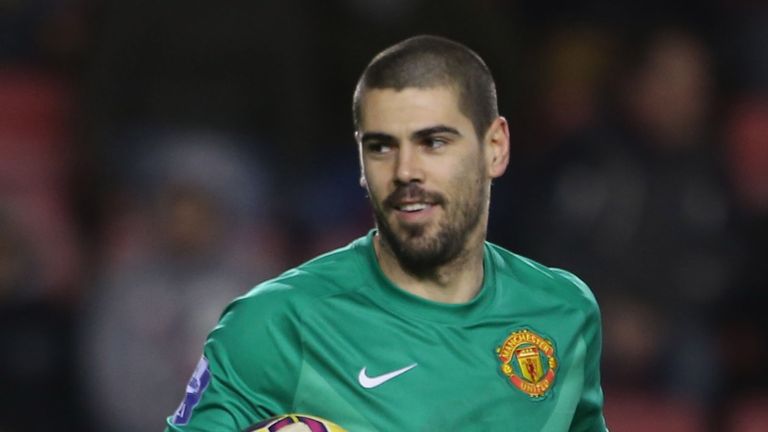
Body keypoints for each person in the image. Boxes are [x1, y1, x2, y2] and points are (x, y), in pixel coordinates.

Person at [165, 35, 607, 431]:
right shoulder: (277, 322)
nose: (405, 171)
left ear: (495, 148)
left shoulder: (564, 312)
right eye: (381, 147)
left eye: (433, 142)